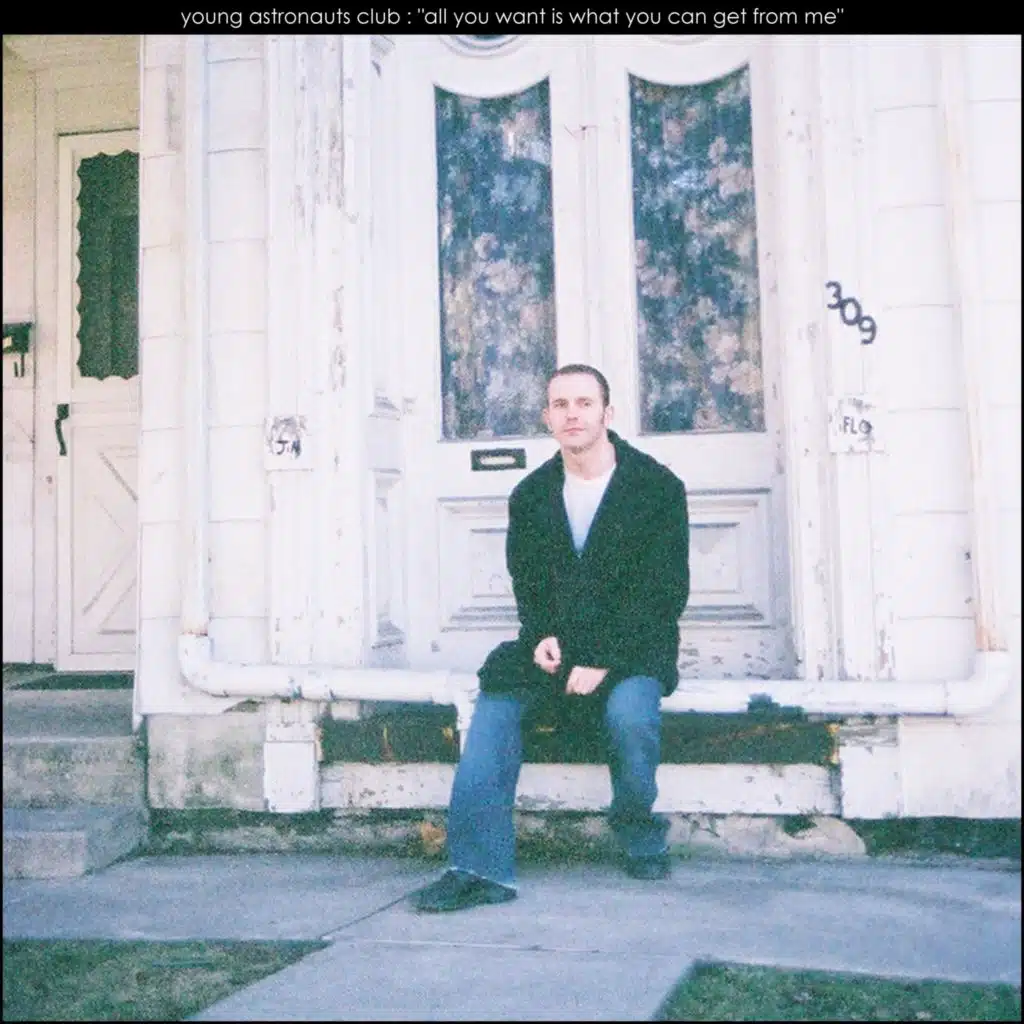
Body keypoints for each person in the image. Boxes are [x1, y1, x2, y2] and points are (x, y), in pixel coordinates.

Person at [411, 364, 690, 913]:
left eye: (584, 403)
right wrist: (541, 636)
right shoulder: (532, 494)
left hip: (632, 648)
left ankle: (638, 832)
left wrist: (605, 658)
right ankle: (478, 867)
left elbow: (665, 592)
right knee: (495, 704)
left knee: (630, 717)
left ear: (608, 413)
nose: (572, 415)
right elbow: (530, 583)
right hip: (559, 649)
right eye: (560, 404)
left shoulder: (656, 488)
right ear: (547, 417)